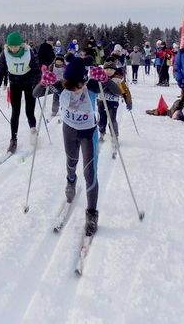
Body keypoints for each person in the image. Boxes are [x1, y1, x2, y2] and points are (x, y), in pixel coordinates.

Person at [35, 58, 121, 236]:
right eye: (70, 86)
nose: (75, 89)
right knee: (71, 161)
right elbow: (36, 94)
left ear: (84, 80)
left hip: (88, 133)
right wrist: (43, 83)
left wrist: (105, 80)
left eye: (78, 85)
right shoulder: (61, 85)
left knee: (90, 173)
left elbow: (117, 91)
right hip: (69, 131)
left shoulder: (91, 86)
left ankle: (91, 213)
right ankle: (71, 181)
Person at [0, 31, 39, 154]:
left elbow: (36, 70)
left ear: (21, 45)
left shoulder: (28, 52)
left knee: (29, 110)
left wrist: (36, 83)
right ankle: (13, 139)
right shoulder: (4, 54)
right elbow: (0, 73)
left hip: (28, 84)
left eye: (16, 46)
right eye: (11, 46)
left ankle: (33, 131)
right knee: (15, 112)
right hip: (15, 84)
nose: (13, 48)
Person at [97, 61, 132, 141]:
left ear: (115, 70)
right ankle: (102, 132)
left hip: (113, 103)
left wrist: (128, 101)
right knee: (102, 119)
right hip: (101, 101)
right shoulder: (100, 78)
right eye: (107, 69)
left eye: (111, 70)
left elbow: (125, 91)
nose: (108, 71)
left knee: (112, 119)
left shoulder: (118, 79)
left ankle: (114, 135)